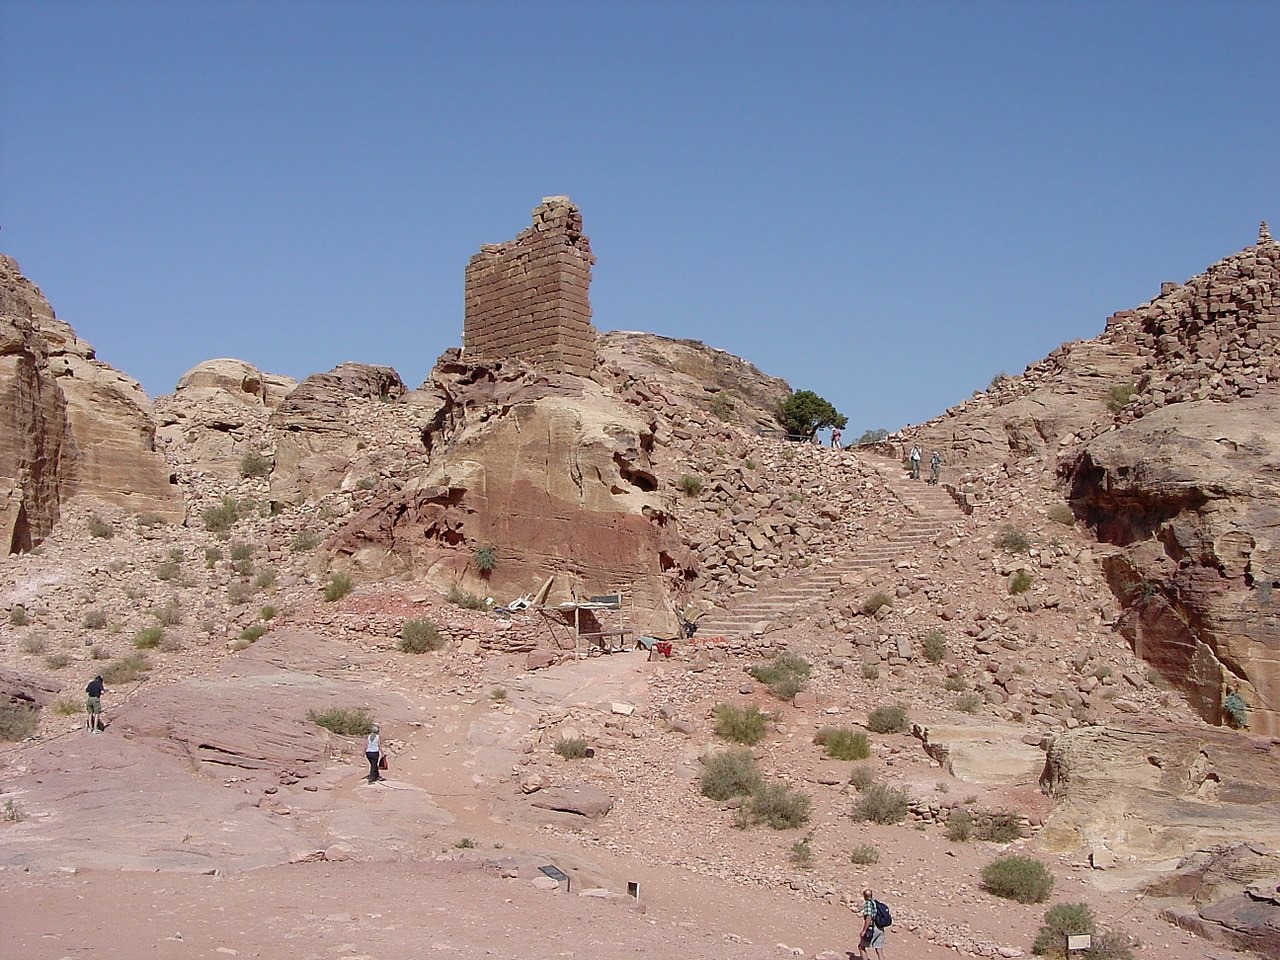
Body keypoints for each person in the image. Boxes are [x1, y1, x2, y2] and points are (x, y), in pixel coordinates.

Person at [859, 888, 886, 960]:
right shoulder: (875, 902)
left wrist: (864, 930)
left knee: (861, 946)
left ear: (864, 896)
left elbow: (869, 917)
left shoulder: (868, 903)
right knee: (879, 949)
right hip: (880, 928)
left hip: (872, 929)